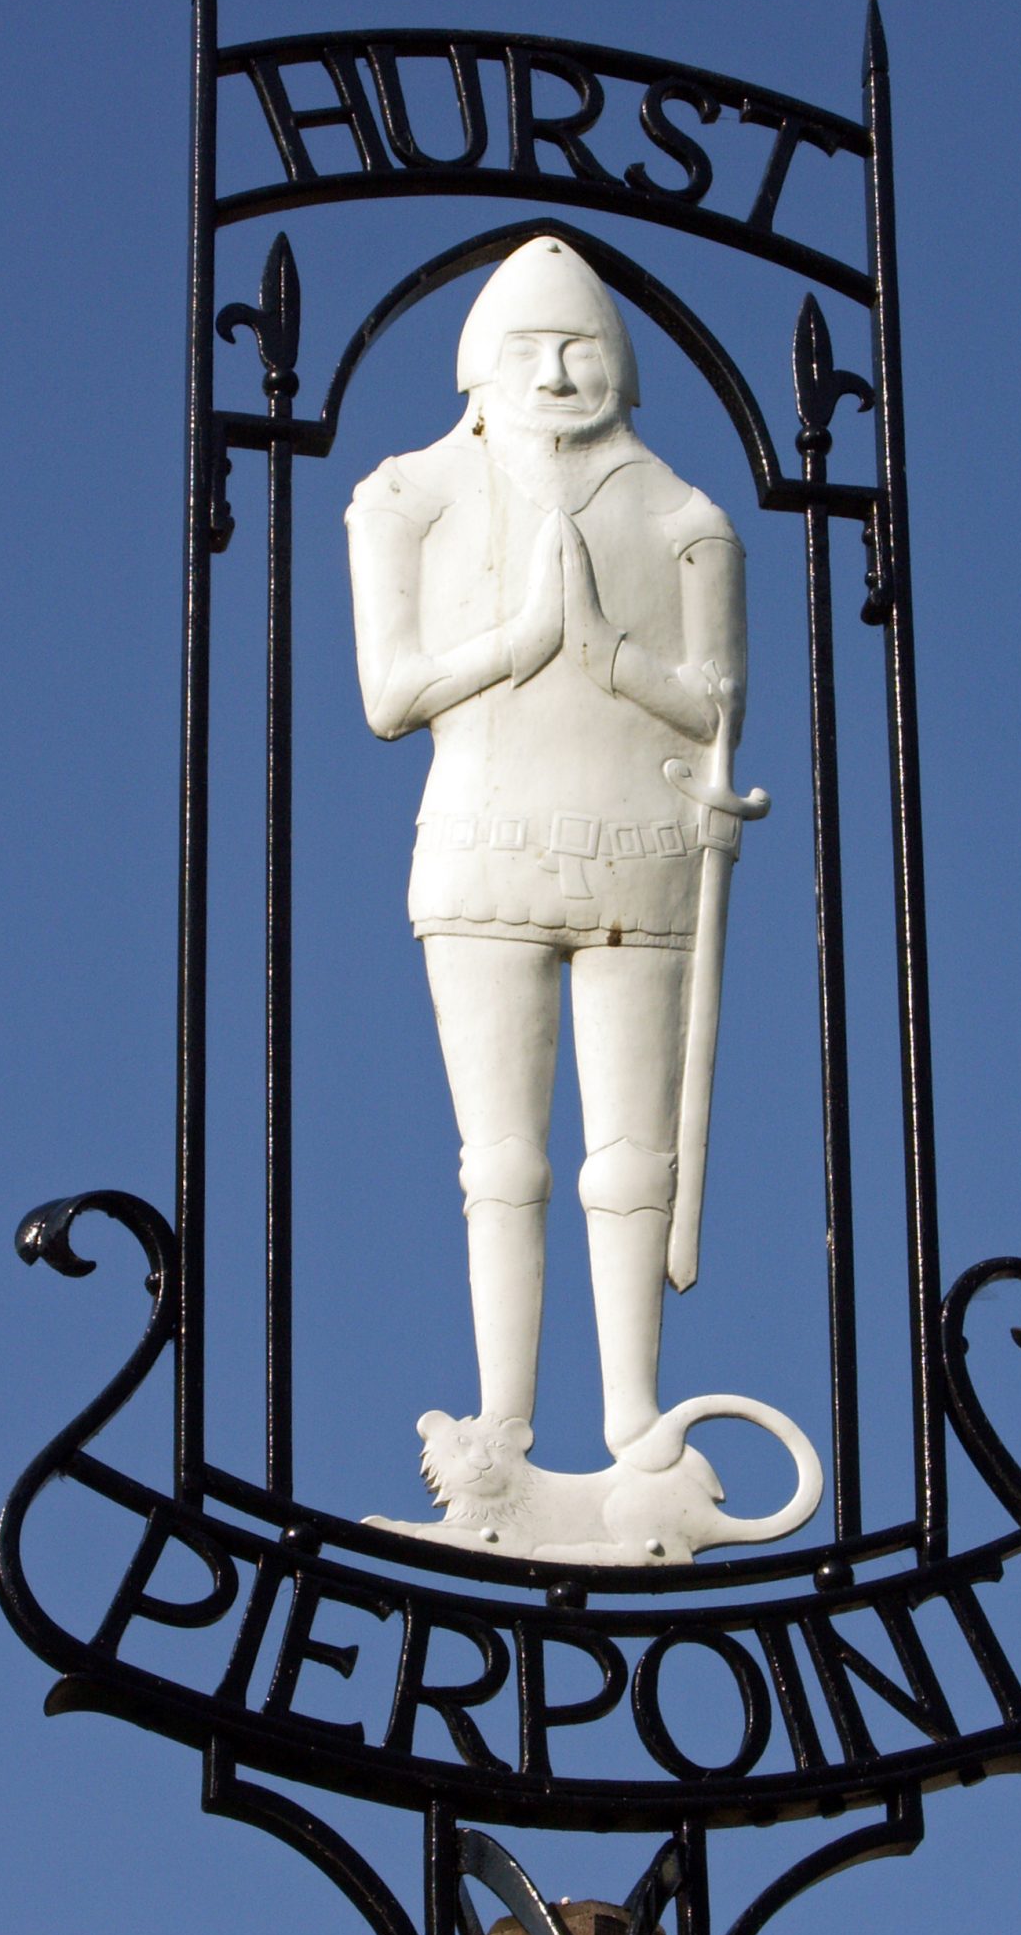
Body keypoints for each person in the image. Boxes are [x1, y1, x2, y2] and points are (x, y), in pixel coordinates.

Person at [348, 237, 814, 1552]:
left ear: (621, 368)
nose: (557, 373)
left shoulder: (682, 516)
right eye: (530, 352)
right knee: (499, 1158)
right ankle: (503, 1428)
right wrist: (520, 643)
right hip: (484, 842)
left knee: (632, 1162)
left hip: (640, 850)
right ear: (477, 371)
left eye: (581, 352)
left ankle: (634, 1425)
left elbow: (719, 704)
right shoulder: (407, 497)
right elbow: (389, 693)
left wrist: (607, 651)